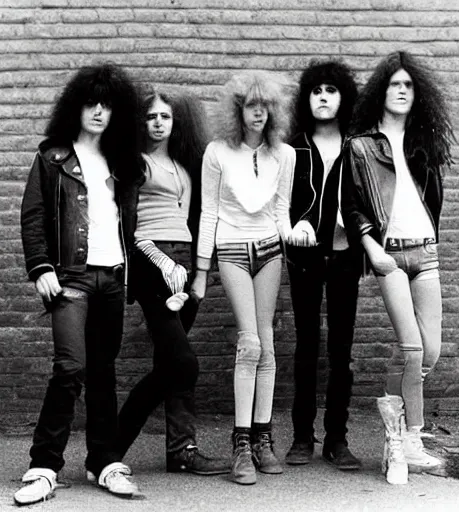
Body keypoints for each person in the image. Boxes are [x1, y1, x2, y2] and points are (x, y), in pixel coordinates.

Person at [16, 63, 143, 505]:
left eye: (107, 105)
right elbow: (32, 218)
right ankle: (44, 467)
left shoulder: (123, 164)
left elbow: (129, 225)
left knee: (104, 373)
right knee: (70, 368)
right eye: (91, 102)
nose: (99, 111)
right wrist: (41, 268)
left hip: (112, 277)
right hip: (70, 277)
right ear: (77, 106)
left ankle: (104, 462)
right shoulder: (53, 157)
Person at [341, 51, 454, 485]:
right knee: (410, 349)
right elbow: (351, 207)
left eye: (409, 85)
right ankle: (409, 440)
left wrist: (432, 241)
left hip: (425, 254)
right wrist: (372, 247)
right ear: (381, 91)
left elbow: (431, 199)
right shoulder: (361, 146)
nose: (403, 91)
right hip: (389, 256)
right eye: (395, 84)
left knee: (430, 352)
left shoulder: (425, 141)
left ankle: (392, 428)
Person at [113, 87, 229, 476]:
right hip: (153, 261)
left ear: (175, 122)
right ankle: (112, 448)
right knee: (182, 363)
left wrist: (200, 274)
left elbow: (199, 221)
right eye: (151, 117)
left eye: (165, 116)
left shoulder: (185, 165)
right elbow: (130, 228)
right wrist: (162, 263)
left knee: (171, 364)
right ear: (141, 123)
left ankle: (180, 451)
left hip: (185, 262)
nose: (159, 123)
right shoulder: (136, 164)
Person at [191, 71, 295, 485]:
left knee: (267, 344)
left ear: (274, 110)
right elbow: (209, 213)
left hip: (270, 251)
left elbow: (281, 213)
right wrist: (201, 272)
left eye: (265, 105)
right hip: (231, 250)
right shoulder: (217, 152)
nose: (258, 112)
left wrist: (296, 233)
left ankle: (262, 439)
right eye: (250, 105)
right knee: (248, 342)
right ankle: (240, 445)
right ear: (237, 110)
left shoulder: (284, 154)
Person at [284, 60, 362, 471]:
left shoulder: (360, 145)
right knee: (307, 346)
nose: (323, 97)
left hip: (348, 256)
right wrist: (295, 222)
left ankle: (337, 438)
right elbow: (281, 201)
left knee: (341, 349)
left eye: (331, 90)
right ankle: (302, 437)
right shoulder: (293, 147)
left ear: (343, 97)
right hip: (306, 257)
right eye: (316, 91)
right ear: (306, 98)